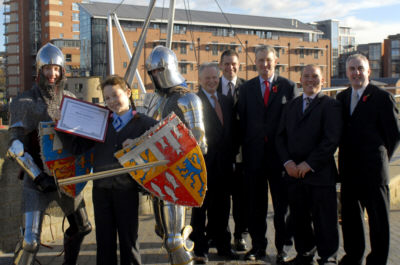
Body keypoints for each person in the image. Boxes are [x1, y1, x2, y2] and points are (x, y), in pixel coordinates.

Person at [58, 75, 157, 265]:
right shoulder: (100, 122)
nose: (111, 102)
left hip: (127, 191)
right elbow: (78, 148)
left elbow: (163, 144)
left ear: (128, 93)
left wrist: (139, 143)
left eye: (115, 96)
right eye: (107, 98)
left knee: (129, 242)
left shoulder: (144, 123)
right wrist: (62, 127)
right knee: (104, 243)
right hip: (101, 191)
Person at [7, 42, 92, 265]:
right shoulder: (25, 102)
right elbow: (15, 145)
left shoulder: (71, 99)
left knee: (82, 227)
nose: (52, 74)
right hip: (37, 179)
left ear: (63, 70)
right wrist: (37, 176)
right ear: (39, 70)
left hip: (67, 176)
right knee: (30, 242)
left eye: (56, 69)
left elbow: (81, 138)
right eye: (47, 68)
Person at [138, 45, 207, 265]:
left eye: (159, 71)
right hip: (158, 173)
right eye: (152, 73)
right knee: (161, 231)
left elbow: (200, 144)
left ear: (169, 69)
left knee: (173, 240)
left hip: (177, 177)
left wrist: (173, 150)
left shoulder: (188, 100)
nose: (156, 76)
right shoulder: (157, 100)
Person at [337, 54, 400, 265]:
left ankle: (377, 260)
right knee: (351, 219)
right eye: (352, 69)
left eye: (360, 68)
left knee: (378, 221)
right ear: (346, 72)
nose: (356, 73)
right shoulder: (342, 98)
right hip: (349, 171)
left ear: (368, 71)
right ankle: (353, 256)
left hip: (374, 172)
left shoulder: (382, 98)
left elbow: (394, 134)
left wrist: (380, 156)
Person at [237, 45, 297, 262]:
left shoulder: (288, 87)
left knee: (282, 208)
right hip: (254, 158)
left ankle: (284, 249)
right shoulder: (246, 88)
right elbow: (241, 122)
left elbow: (294, 124)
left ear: (276, 61)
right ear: (255, 62)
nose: (265, 64)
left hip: (280, 158)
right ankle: (258, 246)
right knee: (256, 206)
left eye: (268, 60)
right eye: (260, 60)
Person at [276, 64, 342, 265]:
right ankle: (304, 254)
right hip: (294, 175)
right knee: (299, 219)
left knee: (325, 220)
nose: (310, 80)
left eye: (315, 76)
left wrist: (309, 164)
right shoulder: (291, 105)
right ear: (300, 80)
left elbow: (331, 140)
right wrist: (288, 163)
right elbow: (280, 137)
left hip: (320, 174)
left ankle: (328, 257)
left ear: (322, 80)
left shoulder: (331, 105)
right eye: (306, 76)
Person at [190, 63, 237, 263]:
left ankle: (224, 246)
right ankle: (199, 249)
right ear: (200, 80)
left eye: (215, 78)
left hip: (225, 166)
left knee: (223, 209)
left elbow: (233, 131)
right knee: (200, 211)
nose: (212, 81)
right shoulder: (194, 102)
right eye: (207, 78)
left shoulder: (226, 101)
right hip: (202, 166)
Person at [216, 49, 248, 251]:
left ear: (239, 65)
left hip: (242, 154)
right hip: (219, 154)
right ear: (221, 65)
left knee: (241, 198)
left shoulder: (248, 88)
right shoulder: (212, 85)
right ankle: (221, 235)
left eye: (234, 64)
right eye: (226, 64)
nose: (230, 68)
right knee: (220, 198)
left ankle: (241, 235)